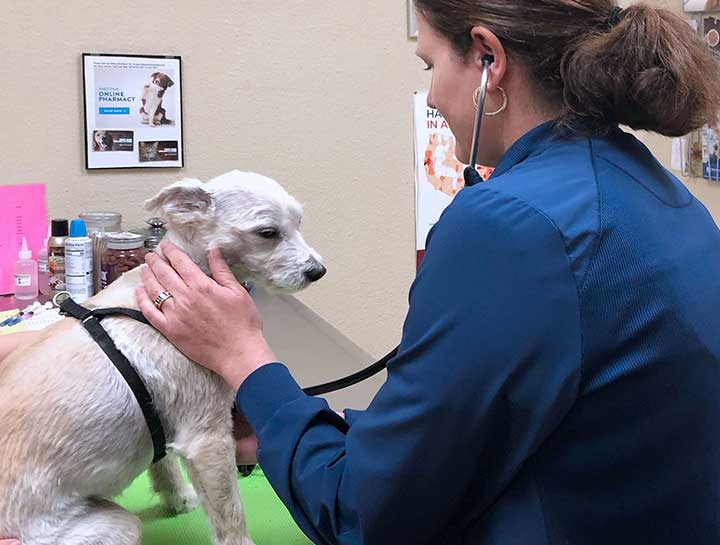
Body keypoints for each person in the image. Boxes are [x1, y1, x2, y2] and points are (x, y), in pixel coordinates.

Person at [3, 2, 720, 544]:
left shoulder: (511, 223)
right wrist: (295, 426)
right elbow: (510, 413)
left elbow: (362, 516)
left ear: (487, 59)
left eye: (429, 65)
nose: (434, 98)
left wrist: (246, 358)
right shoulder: (663, 196)